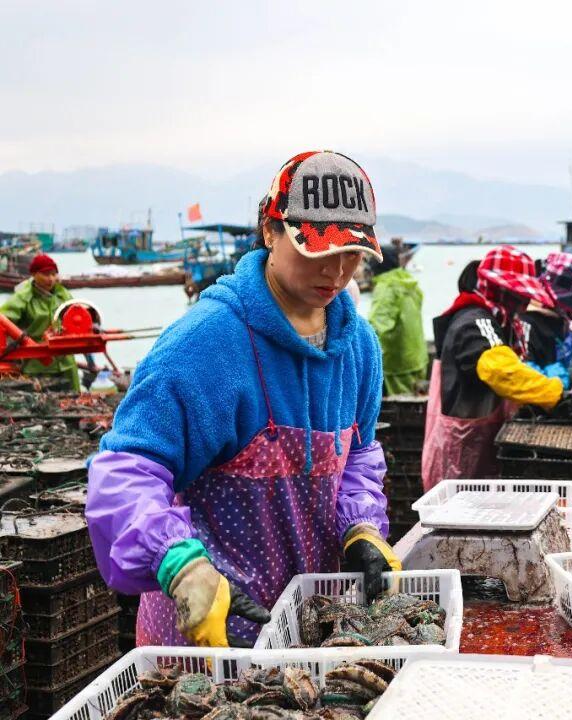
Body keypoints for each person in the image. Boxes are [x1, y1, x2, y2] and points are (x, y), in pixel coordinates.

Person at [86, 150, 398, 648]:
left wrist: (360, 526)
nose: (337, 273)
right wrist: (178, 562)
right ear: (271, 231)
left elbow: (357, 455)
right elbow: (126, 472)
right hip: (207, 627)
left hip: (312, 627)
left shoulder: (359, 347)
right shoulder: (204, 344)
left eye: (352, 254)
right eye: (316, 250)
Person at [421, 246, 572, 490]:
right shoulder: (474, 321)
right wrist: (554, 395)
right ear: (499, 289)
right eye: (518, 294)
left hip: (479, 439)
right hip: (462, 446)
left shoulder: (498, 321)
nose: (524, 302)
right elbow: (500, 370)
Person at [1, 253, 80, 391]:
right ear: (34, 274)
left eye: (54, 274)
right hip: (35, 364)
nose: (51, 279)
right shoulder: (23, 297)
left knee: (75, 401)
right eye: (45, 274)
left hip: (66, 362)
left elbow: (78, 317)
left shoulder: (63, 294)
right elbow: (4, 322)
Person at [517, 252, 572, 389]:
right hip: (535, 406)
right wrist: (569, 376)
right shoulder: (525, 324)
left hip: (560, 401)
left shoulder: (564, 320)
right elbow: (524, 376)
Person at [368, 245, 427, 395]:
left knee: (399, 411)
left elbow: (376, 325)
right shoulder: (411, 283)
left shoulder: (387, 287)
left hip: (397, 363)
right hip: (418, 357)